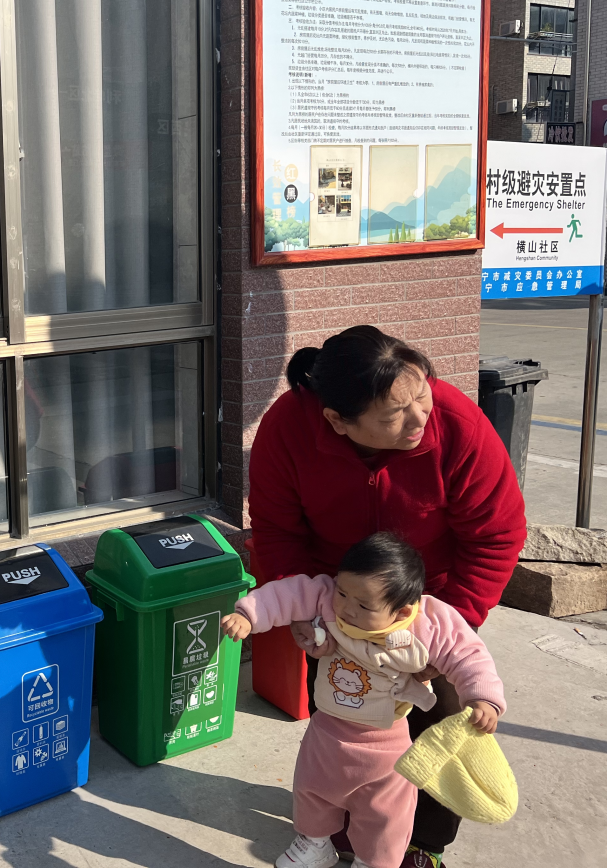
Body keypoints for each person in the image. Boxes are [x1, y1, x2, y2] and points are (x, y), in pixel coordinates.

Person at [249, 325, 526, 868]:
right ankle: (343, 831)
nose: (419, 418)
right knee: (341, 717)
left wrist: (450, 628)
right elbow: (278, 531)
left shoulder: (458, 425)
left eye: (422, 395)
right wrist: (303, 610)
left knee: (441, 725)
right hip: (340, 603)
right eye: (395, 414)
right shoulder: (288, 428)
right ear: (338, 420)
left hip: (432, 600)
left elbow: (496, 535)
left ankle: (425, 843)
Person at [222, 533, 505, 868]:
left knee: (385, 813)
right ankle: (314, 843)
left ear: (401, 612)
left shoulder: (426, 624)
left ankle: (374, 862)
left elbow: (467, 654)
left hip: (384, 745)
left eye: (363, 605)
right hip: (326, 729)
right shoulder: (327, 597)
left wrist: (482, 698)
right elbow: (288, 593)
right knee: (311, 790)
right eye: (343, 593)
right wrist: (249, 614)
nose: (346, 608)